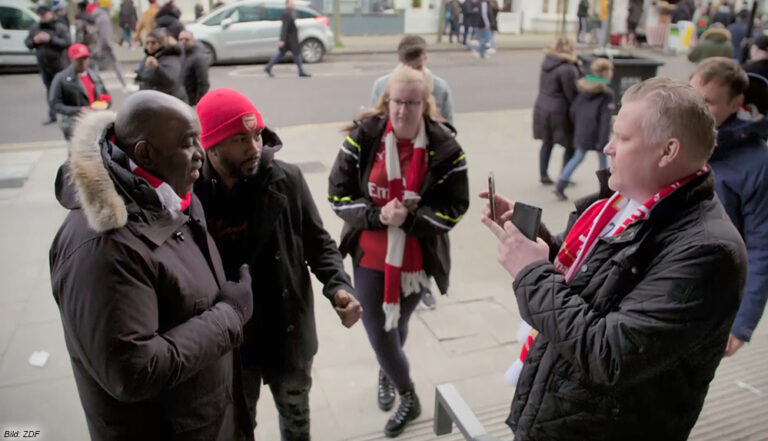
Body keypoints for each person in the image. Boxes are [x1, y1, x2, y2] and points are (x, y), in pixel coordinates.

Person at [481, 77, 747, 440]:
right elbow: (589, 278)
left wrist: (530, 271)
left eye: (622, 138)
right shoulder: (622, 203)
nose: (607, 148)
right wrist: (537, 240)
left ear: (667, 151)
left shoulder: (708, 252)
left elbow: (608, 354)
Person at [49, 90, 255, 441]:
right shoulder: (102, 248)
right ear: (145, 152)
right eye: (188, 143)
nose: (200, 155)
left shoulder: (169, 193)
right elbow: (133, 370)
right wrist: (230, 316)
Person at [194, 88, 363, 441]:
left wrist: (339, 287)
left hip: (288, 334)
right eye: (240, 139)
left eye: (256, 135)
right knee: (240, 426)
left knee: (296, 420)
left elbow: (319, 245)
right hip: (234, 345)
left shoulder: (287, 179)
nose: (254, 147)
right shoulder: (194, 197)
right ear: (211, 145)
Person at [329, 66, 469, 438]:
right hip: (370, 256)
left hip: (417, 261)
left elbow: (456, 208)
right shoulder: (366, 135)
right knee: (378, 330)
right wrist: (377, 215)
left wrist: (410, 218)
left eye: (411, 102)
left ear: (425, 104)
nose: (402, 111)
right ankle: (408, 394)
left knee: (399, 325)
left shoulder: (446, 148)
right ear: (386, 100)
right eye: (396, 101)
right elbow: (337, 195)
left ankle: (387, 370)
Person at [690, 58, 768, 357]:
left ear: (736, 103)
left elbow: (761, 245)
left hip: (710, 294)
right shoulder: (681, 133)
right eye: (692, 96)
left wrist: (743, 322)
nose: (696, 108)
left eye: (707, 102)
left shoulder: (757, 163)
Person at [554, 58, 614, 200]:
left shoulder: (584, 87)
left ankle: (561, 183)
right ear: (605, 72)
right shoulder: (607, 93)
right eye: (610, 70)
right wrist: (603, 139)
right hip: (598, 132)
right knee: (602, 160)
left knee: (578, 156)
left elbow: (574, 109)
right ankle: (605, 189)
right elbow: (605, 118)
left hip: (582, 130)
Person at [371, 35, 455, 126]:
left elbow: (448, 128)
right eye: (408, 68)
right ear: (400, 60)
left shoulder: (440, 88)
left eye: (418, 68)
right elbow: (374, 125)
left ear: (425, 58)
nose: (414, 75)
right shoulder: (381, 86)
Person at [533, 37, 579, 185]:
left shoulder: (548, 62)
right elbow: (571, 93)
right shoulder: (568, 69)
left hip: (542, 107)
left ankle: (543, 174)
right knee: (570, 144)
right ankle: (564, 176)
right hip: (559, 111)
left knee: (547, 142)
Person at [49, 44, 111, 142]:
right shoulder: (61, 78)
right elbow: (55, 104)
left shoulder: (95, 77)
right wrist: (78, 110)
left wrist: (104, 102)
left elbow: (107, 97)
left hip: (95, 121)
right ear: (72, 59)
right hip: (75, 123)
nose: (83, 62)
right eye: (79, 59)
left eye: (85, 58)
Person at [25, 5, 70, 126]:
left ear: (51, 13)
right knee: (50, 91)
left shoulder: (59, 26)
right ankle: (52, 115)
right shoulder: (36, 27)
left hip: (60, 65)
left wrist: (50, 39)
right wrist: (35, 40)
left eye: (45, 14)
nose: (43, 17)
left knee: (65, 90)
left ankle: (68, 115)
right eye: (41, 15)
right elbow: (28, 43)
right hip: (44, 65)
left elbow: (67, 42)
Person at [136, 28, 188, 102]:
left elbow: (170, 82)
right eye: (147, 43)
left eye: (153, 43)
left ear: (161, 44)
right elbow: (144, 76)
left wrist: (157, 68)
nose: (149, 46)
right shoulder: (149, 56)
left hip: (168, 101)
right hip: (150, 99)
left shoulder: (171, 58)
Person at [264, 0, 310, 78]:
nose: (293, 5)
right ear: (287, 4)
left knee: (291, 54)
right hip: (289, 40)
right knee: (294, 54)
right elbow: (284, 28)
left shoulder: (291, 13)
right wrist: (282, 40)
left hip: (290, 39)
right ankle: (300, 71)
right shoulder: (286, 14)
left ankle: (269, 67)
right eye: (291, 4)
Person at [92, 0, 128, 89]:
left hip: (95, 46)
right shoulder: (104, 18)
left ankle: (96, 87)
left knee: (94, 68)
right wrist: (111, 46)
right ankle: (124, 84)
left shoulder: (95, 16)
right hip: (105, 47)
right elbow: (105, 35)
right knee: (115, 64)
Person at [179, 30, 210, 105]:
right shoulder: (181, 54)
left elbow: (203, 83)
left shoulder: (198, 58)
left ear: (193, 41)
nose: (183, 42)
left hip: (192, 100)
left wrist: (198, 103)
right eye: (181, 39)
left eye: (187, 39)